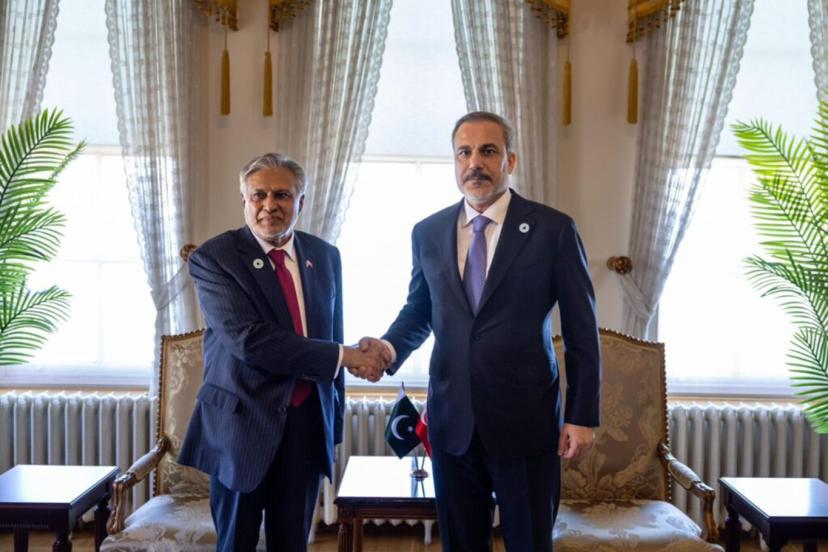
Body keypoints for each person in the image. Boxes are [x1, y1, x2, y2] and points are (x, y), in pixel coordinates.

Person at [357, 112, 601, 551]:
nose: (475, 163)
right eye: (464, 153)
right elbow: (420, 310)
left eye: (488, 151)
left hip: (525, 422)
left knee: (529, 543)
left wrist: (581, 416)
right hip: (452, 423)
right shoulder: (428, 232)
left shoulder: (553, 230)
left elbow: (582, 331)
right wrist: (388, 348)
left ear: (510, 160)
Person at [178, 153, 387, 551]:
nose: (269, 205)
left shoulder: (325, 256)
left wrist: (333, 420)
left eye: (282, 195)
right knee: (236, 543)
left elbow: (333, 331)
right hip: (241, 428)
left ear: (300, 201)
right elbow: (251, 341)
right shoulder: (215, 258)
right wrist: (346, 356)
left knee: (292, 543)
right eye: (259, 195)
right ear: (244, 199)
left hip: (306, 428)